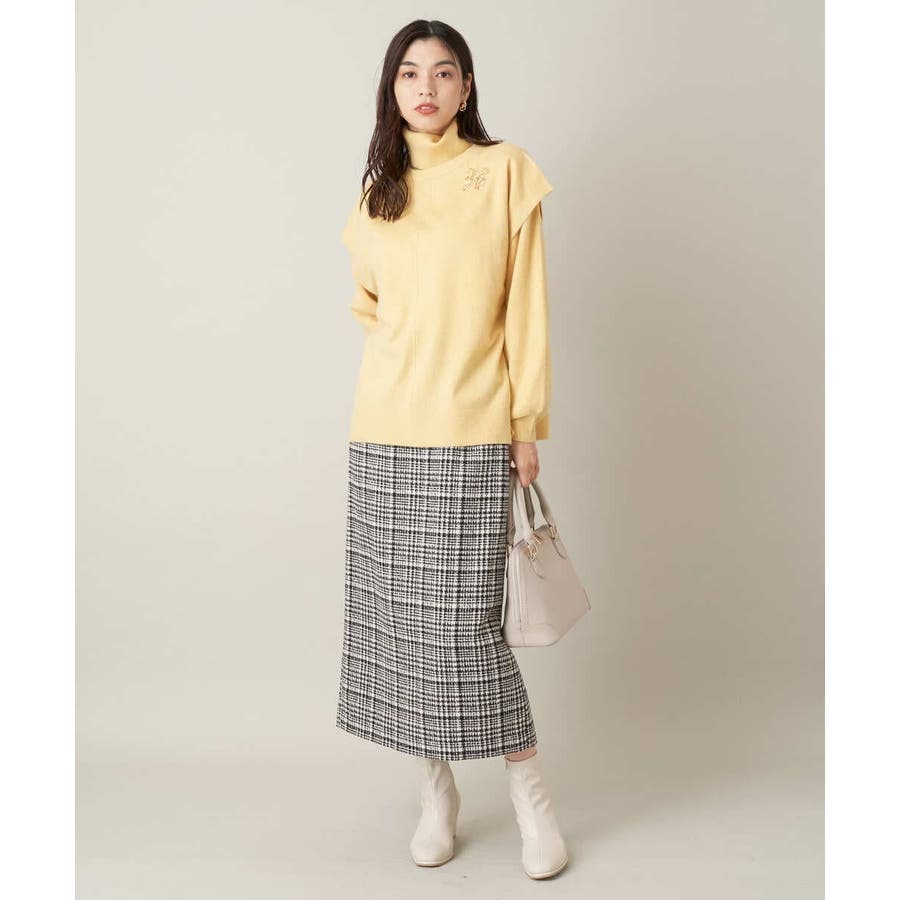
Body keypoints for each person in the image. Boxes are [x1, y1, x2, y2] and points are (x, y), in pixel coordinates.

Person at [335, 19, 568, 880]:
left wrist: (525, 422)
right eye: (409, 73)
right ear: (391, 89)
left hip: (472, 428)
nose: (425, 88)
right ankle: (435, 795)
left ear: (467, 87)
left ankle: (531, 798)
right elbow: (368, 303)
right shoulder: (379, 193)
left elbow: (525, 307)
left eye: (442, 73)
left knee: (468, 628)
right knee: (401, 625)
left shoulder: (504, 171)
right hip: (384, 430)